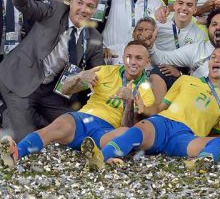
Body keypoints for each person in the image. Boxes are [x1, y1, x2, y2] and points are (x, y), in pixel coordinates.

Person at [0, 40, 159, 169]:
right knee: (54, 127)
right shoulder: (106, 71)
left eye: (139, 58)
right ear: (123, 58)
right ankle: (16, 153)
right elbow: (65, 89)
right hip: (82, 120)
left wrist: (129, 101)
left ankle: (100, 156)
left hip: (105, 132)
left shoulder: (146, 90)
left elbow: (131, 129)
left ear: (147, 62)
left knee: (124, 132)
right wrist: (79, 77)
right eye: (129, 57)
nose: (133, 62)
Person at [0, 0, 104, 141]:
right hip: (19, 78)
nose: (83, 9)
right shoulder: (54, 10)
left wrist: (94, 78)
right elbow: (25, 5)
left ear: (95, 10)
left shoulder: (95, 38)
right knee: (27, 139)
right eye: (80, 2)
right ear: (71, 1)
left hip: (49, 91)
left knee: (73, 125)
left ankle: (14, 115)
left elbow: (100, 72)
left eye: (89, 6)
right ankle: (14, 114)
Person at [93, 47, 220, 170]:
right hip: (163, 123)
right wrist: (143, 108)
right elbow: (159, 108)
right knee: (137, 131)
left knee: (219, 143)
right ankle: (101, 157)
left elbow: (212, 133)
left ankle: (200, 164)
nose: (216, 60)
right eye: (213, 57)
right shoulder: (186, 80)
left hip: (186, 136)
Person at [150, 9, 220, 102]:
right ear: (208, 29)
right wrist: (150, 46)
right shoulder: (196, 49)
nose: (218, 27)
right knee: (159, 71)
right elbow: (162, 59)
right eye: (214, 24)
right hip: (194, 104)